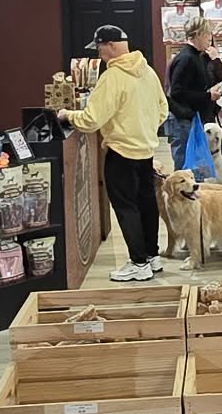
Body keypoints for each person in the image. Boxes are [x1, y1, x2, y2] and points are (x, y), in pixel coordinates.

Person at [60, 25, 169, 283]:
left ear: (110, 45)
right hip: (145, 151)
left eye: (99, 48)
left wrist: (66, 115)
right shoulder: (148, 72)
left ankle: (138, 262)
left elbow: (91, 119)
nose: (99, 54)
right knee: (146, 203)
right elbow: (162, 110)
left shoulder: (112, 78)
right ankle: (152, 257)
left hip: (120, 152)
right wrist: (143, 129)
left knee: (125, 207)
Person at [164, 15, 222, 161]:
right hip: (184, 121)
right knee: (185, 166)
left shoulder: (198, 57)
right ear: (199, 34)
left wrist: (215, 59)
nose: (210, 38)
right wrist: (207, 96)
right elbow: (176, 92)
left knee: (197, 166)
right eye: (208, 34)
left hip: (193, 119)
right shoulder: (186, 59)